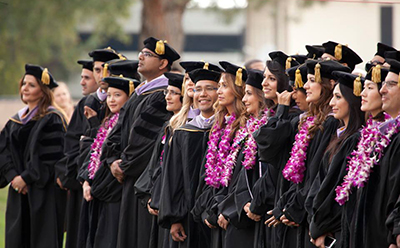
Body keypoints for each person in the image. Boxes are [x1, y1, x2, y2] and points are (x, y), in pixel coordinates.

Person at [102, 37, 179, 248]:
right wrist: (112, 160)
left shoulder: (161, 95)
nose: (140, 57)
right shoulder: (139, 93)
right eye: (141, 53)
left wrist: (124, 165)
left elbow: (144, 142)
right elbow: (115, 134)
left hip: (144, 181)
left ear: (163, 63)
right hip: (128, 176)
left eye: (147, 55)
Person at [273, 60, 350, 248]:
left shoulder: (330, 123)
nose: (305, 86)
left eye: (310, 80)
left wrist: (296, 207)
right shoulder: (313, 121)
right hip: (302, 208)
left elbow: (316, 174)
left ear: (328, 85)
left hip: (310, 214)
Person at [61, 47, 123, 248]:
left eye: (106, 69)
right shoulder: (88, 102)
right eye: (97, 70)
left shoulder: (121, 105)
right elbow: (72, 141)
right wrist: (76, 174)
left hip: (106, 184)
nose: (101, 75)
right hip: (83, 179)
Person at [0, 64, 67, 247]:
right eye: (24, 84)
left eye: (31, 85)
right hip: (18, 192)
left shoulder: (53, 118)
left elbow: (52, 158)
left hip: (43, 193)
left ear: (43, 91)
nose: (25, 88)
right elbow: (2, 151)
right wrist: (13, 177)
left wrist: (26, 178)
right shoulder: (15, 121)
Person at [158, 68, 221, 248]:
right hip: (186, 216)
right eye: (198, 89)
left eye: (210, 88)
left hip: (213, 214)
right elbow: (173, 177)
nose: (202, 94)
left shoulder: (227, 131)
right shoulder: (183, 132)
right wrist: (174, 218)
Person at [345, 55, 400, 248]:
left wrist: (396, 231)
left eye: (390, 84)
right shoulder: (380, 134)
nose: (382, 89)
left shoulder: (394, 137)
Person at [307, 71, 365, 247]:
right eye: (332, 96)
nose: (332, 103)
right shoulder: (340, 138)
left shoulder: (355, 140)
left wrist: (320, 227)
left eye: (338, 97)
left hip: (336, 231)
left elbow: (334, 189)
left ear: (352, 101)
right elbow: (318, 184)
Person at [78, 75, 137, 248]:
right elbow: (94, 155)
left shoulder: (127, 125)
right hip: (97, 192)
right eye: (109, 95)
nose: (111, 99)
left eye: (117, 95)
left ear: (129, 97)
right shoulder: (108, 122)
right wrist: (87, 180)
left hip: (112, 193)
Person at [135, 72, 185, 248]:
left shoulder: (188, 129)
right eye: (167, 92)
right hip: (159, 201)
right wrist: (151, 195)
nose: (168, 97)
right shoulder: (169, 126)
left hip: (172, 205)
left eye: (173, 92)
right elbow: (155, 165)